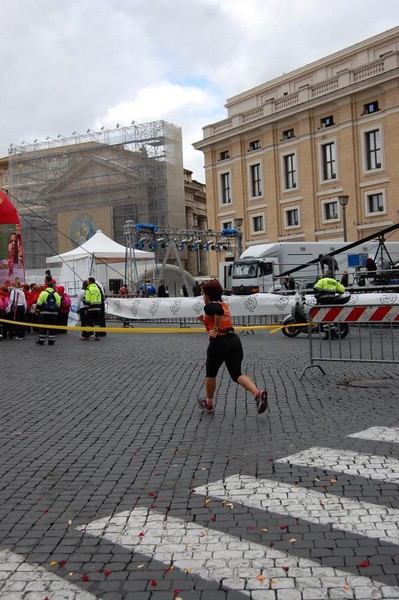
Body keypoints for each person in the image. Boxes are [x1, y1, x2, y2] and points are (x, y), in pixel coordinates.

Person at [197, 279, 268, 415]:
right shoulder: (224, 303)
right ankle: (257, 393)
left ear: (208, 295)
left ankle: (209, 403)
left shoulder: (210, 306)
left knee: (210, 374)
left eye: (203, 294)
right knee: (237, 374)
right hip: (234, 340)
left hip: (220, 342)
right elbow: (219, 313)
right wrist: (206, 321)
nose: (202, 297)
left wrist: (216, 330)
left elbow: (217, 311)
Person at [81, 277, 102, 341]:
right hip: (98, 308)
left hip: (91, 309)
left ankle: (86, 336)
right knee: (97, 323)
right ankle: (97, 336)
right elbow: (100, 299)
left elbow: (87, 300)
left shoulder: (88, 289)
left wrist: (86, 309)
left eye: (88, 281)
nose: (87, 282)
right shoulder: (97, 289)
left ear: (90, 282)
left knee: (89, 323)